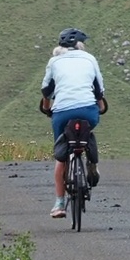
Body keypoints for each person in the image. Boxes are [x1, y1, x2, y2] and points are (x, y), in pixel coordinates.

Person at [39, 27, 107, 218]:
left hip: (61, 113)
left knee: (61, 155)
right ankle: (92, 164)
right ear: (80, 45)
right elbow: (98, 89)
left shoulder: (54, 61)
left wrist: (47, 107)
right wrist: (100, 106)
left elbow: (46, 90)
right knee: (87, 133)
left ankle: (59, 203)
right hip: (88, 111)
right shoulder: (90, 59)